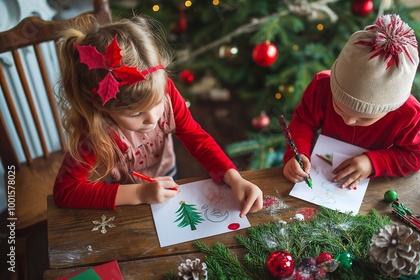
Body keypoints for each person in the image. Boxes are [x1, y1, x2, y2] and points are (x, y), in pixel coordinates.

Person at [53, 15, 263, 217]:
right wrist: (139, 193)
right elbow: (65, 192)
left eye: (156, 103)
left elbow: (196, 138)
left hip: (164, 174)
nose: (152, 119)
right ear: (102, 108)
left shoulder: (167, 90)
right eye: (135, 113)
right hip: (122, 198)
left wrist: (234, 178)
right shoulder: (97, 132)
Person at [283, 14, 420, 189]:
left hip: (373, 189)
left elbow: (416, 156)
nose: (349, 121)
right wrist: (298, 153)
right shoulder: (322, 86)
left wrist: (373, 163)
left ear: (392, 108)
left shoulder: (410, 114)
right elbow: (303, 121)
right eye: (340, 108)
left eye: (366, 118)